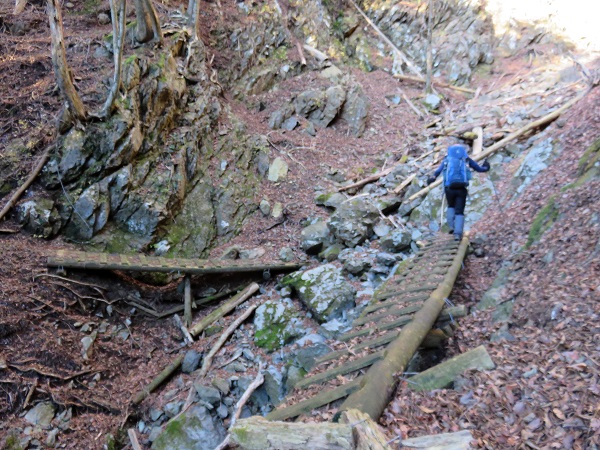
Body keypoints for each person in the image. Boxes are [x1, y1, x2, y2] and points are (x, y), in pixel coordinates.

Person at [427, 144, 490, 241]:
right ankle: (457, 234)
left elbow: (437, 172)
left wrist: (431, 179)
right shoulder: (465, 159)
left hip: (449, 188)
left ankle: (451, 226)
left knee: (451, 206)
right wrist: (486, 166)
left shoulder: (447, 159)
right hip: (461, 188)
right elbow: (479, 169)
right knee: (459, 211)